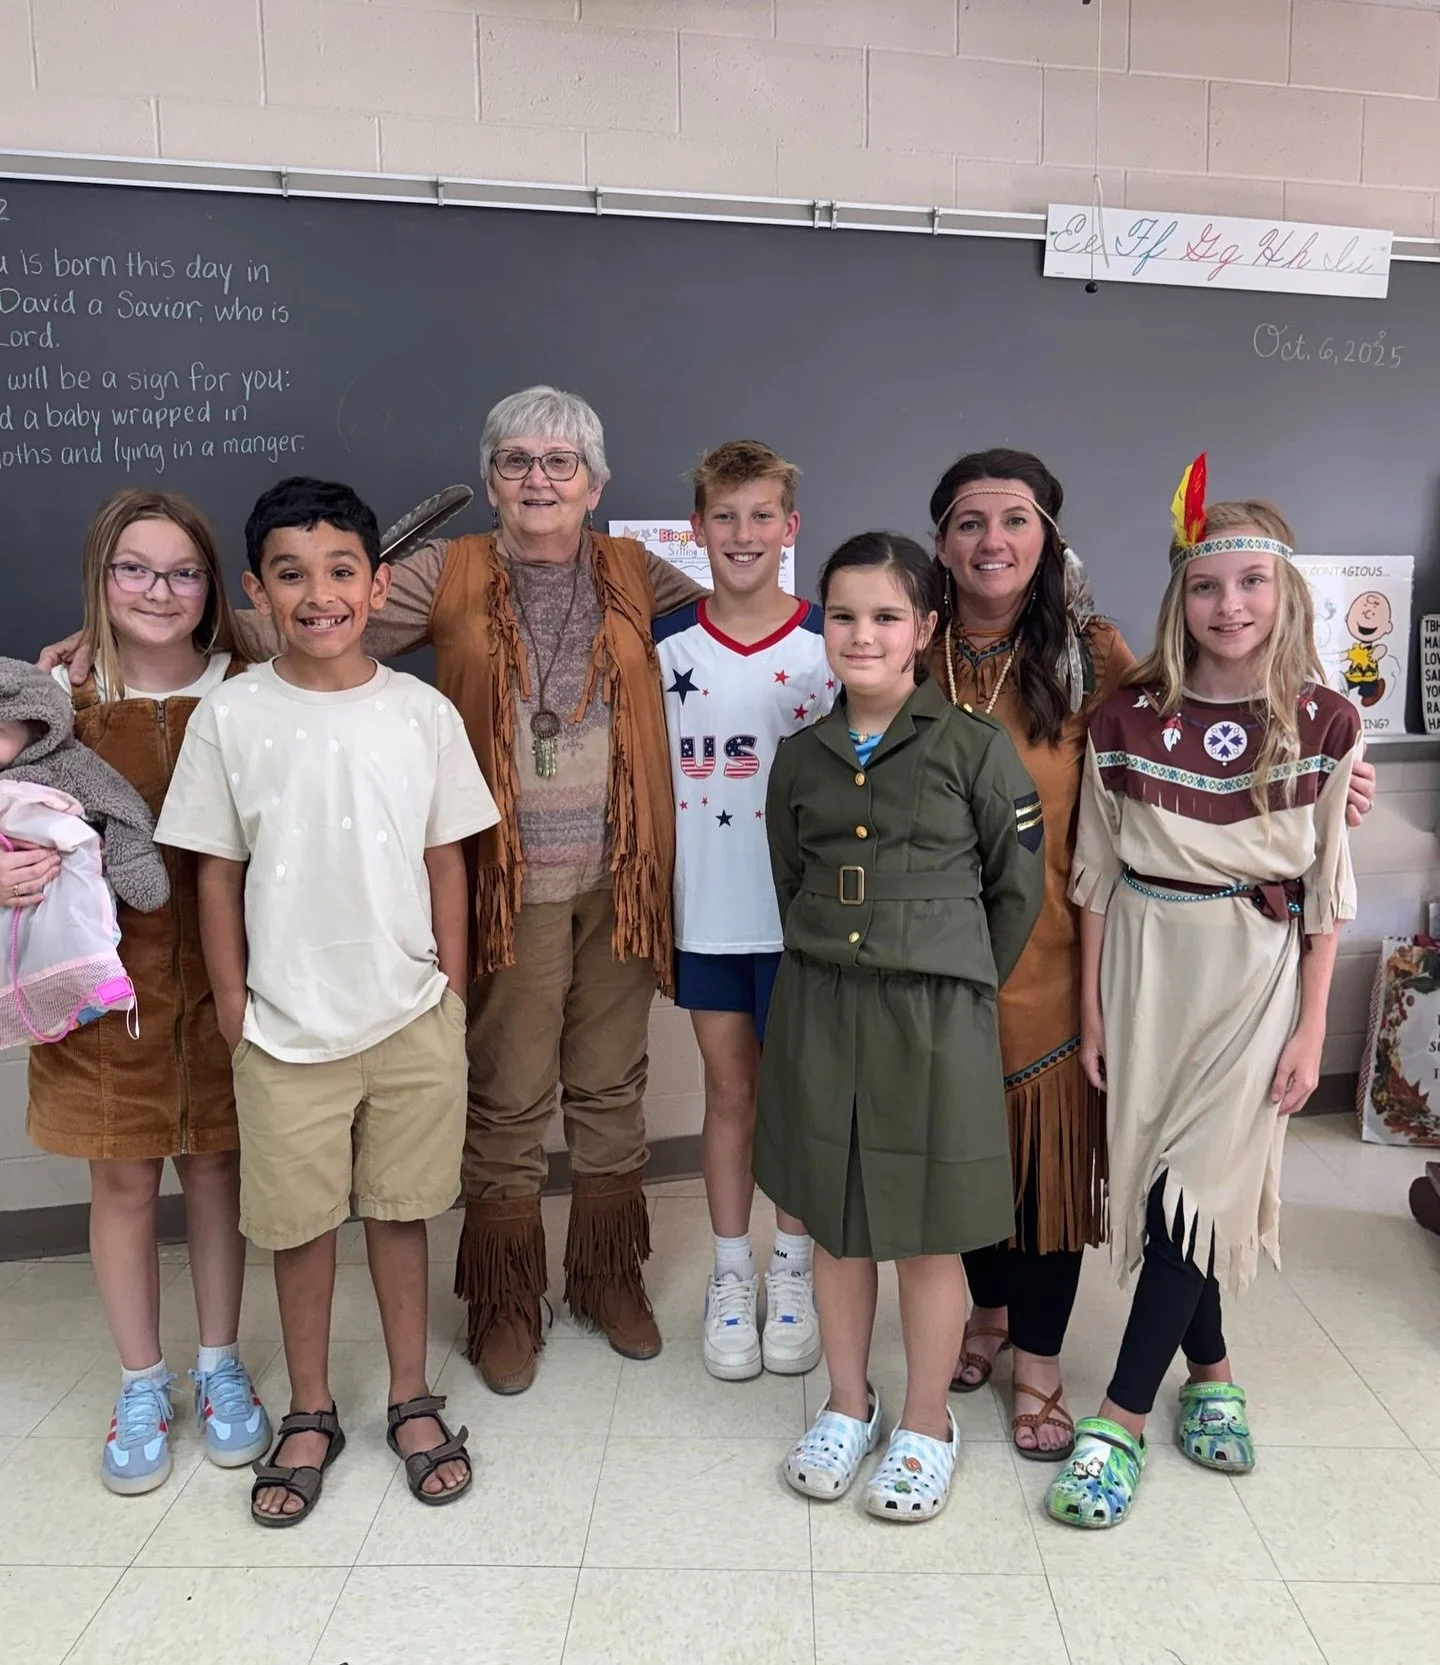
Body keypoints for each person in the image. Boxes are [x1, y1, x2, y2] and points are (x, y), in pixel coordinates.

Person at [928, 448, 1378, 1461]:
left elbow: (1224, 711)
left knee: (1062, 1167)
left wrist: (1345, 780)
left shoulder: (1096, 659)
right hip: (966, 959)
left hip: (1066, 955)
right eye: (967, 521)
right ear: (941, 543)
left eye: (1014, 520)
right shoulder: (911, 645)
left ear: (1049, 538)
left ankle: (1065, 1381)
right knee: (965, 1151)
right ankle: (1008, 1322)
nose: (991, 541)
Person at [155, 477, 500, 1525]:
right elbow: (216, 871)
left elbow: (449, 854)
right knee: (298, 1227)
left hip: (408, 1014)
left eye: (342, 571)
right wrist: (232, 1005)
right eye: (292, 575)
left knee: (402, 1212)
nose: (320, 595)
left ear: (378, 582)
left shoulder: (419, 709)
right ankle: (310, 1406)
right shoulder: (231, 715)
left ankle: (409, 1392)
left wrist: (448, 977)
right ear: (255, 590)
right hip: (283, 1024)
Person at [1045, 473, 1358, 1530]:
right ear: (1182, 599)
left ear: (1287, 595)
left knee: (1198, 1190)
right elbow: (1092, 872)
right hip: (1143, 963)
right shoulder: (1128, 715)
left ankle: (1121, 1419)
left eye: (1253, 585)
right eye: (1209, 587)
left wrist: (1315, 1026)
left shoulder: (1324, 720)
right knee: (1169, 1190)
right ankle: (1211, 1367)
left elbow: (1327, 892)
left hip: (1255, 972)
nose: (1231, 607)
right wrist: (1091, 1010)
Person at [756, 532, 1045, 1523]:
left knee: (927, 1239)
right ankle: (849, 1404)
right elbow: (792, 876)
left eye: (886, 616)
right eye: (842, 615)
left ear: (926, 628)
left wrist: (950, 991)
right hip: (822, 1014)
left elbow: (1016, 896)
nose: (862, 634)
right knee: (834, 1228)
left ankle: (927, 1420)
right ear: (820, 626)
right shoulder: (801, 758)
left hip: (934, 1022)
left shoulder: (975, 749)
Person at [22, 489, 271, 1497]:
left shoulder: (255, 687)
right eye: (134, 569)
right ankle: (140, 1380)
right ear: (99, 578)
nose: (158, 591)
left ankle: (218, 1362)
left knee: (218, 1174)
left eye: (181, 571)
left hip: (232, 985)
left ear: (212, 585)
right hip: (103, 1003)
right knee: (122, 1184)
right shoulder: (49, 700)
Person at [655, 440, 829, 1381]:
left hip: (803, 922)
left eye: (763, 515)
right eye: (725, 516)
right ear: (696, 529)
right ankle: (732, 1274)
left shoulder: (829, 642)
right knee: (730, 1092)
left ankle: (791, 1271)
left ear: (790, 527)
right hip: (710, 912)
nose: (743, 533)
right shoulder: (666, 645)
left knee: (795, 1100)